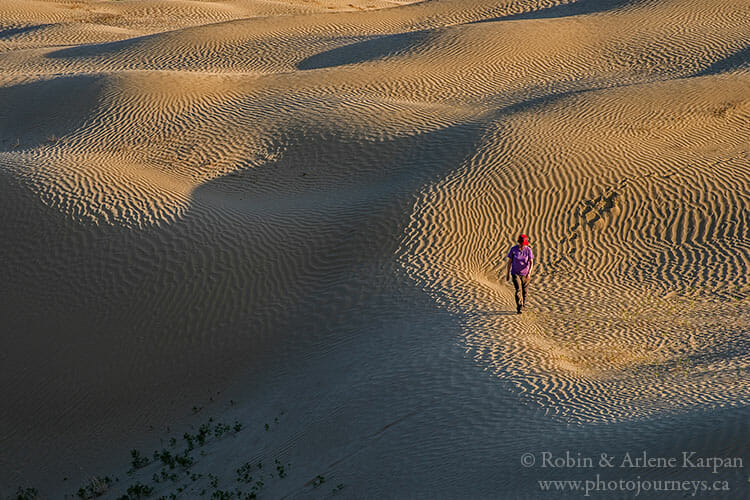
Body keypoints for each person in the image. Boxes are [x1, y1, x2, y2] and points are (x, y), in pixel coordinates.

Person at [505, 234, 534, 314]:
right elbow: (509, 262)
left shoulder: (528, 250)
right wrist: (507, 274)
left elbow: (531, 262)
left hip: (525, 274)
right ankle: (519, 306)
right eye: (521, 243)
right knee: (518, 290)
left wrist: (529, 273)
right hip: (515, 273)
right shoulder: (513, 250)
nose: (523, 245)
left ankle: (523, 305)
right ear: (519, 242)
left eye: (524, 243)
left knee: (525, 291)